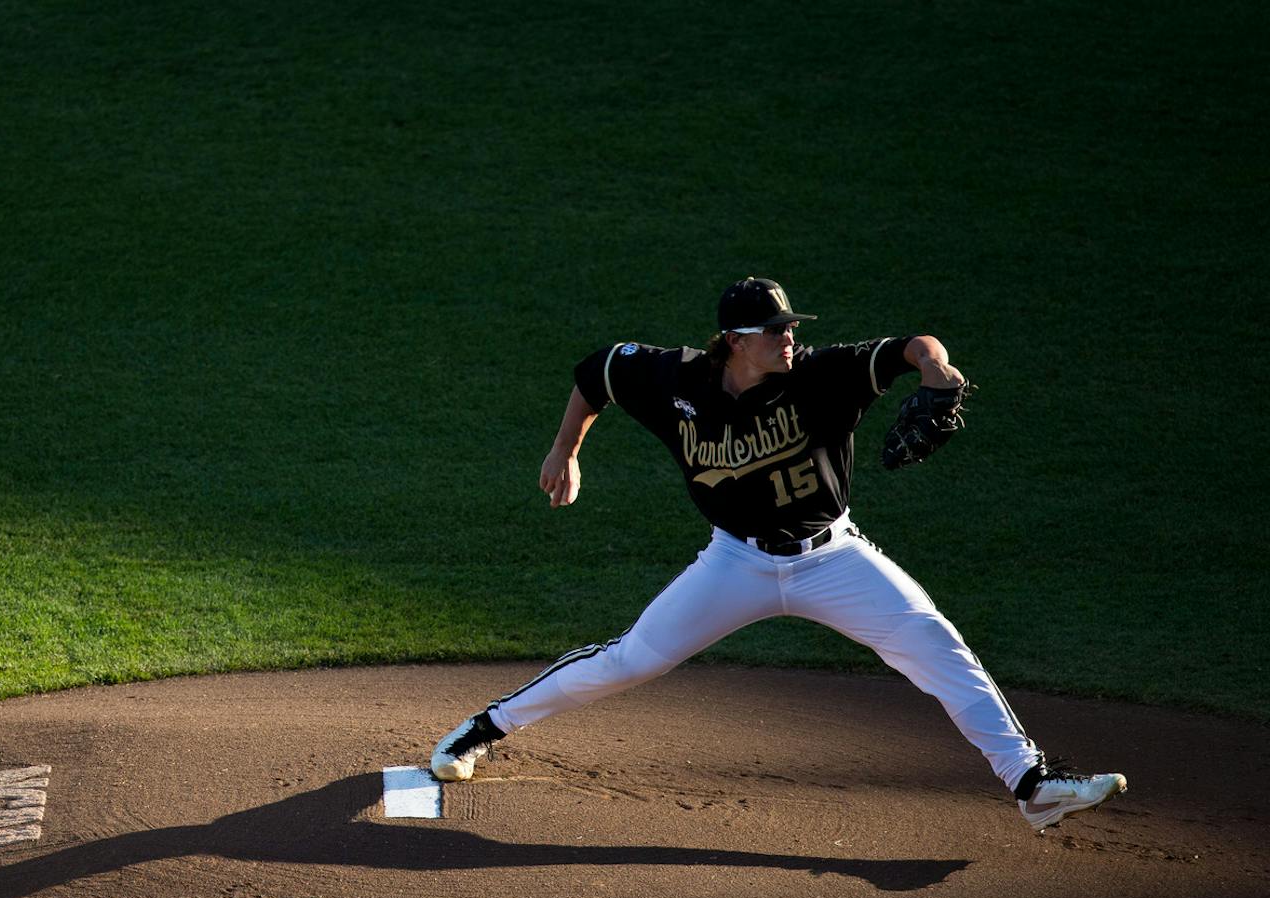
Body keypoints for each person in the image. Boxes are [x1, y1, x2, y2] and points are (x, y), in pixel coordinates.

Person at [429, 277, 1125, 832]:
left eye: (792, 327)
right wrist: (564, 450)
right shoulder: (678, 382)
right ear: (734, 340)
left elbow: (914, 346)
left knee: (932, 641)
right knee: (632, 658)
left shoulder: (822, 376)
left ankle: (1031, 782)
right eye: (776, 330)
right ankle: (481, 728)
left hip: (833, 559)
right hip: (735, 563)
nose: (790, 338)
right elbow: (598, 372)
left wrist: (937, 370)